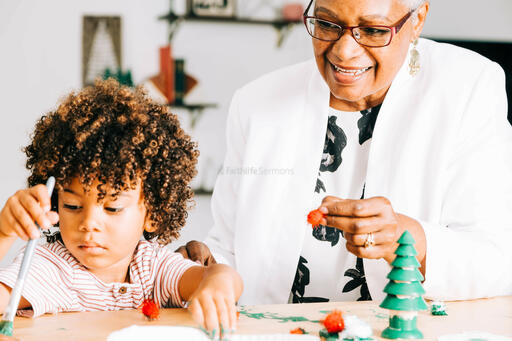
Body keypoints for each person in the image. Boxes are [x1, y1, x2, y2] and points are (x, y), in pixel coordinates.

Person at [191, 0, 512, 305]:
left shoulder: (468, 88)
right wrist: (200, 266)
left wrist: (407, 238)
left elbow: (497, 263)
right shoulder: (257, 102)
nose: (344, 51)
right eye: (328, 24)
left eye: (373, 31)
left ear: (417, 20)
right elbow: (231, 249)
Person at [0, 79, 242, 337]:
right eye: (72, 205)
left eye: (112, 208)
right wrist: (4, 233)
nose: (88, 223)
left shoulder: (152, 268)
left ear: (154, 213)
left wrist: (217, 285)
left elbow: (220, 276)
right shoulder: (51, 269)